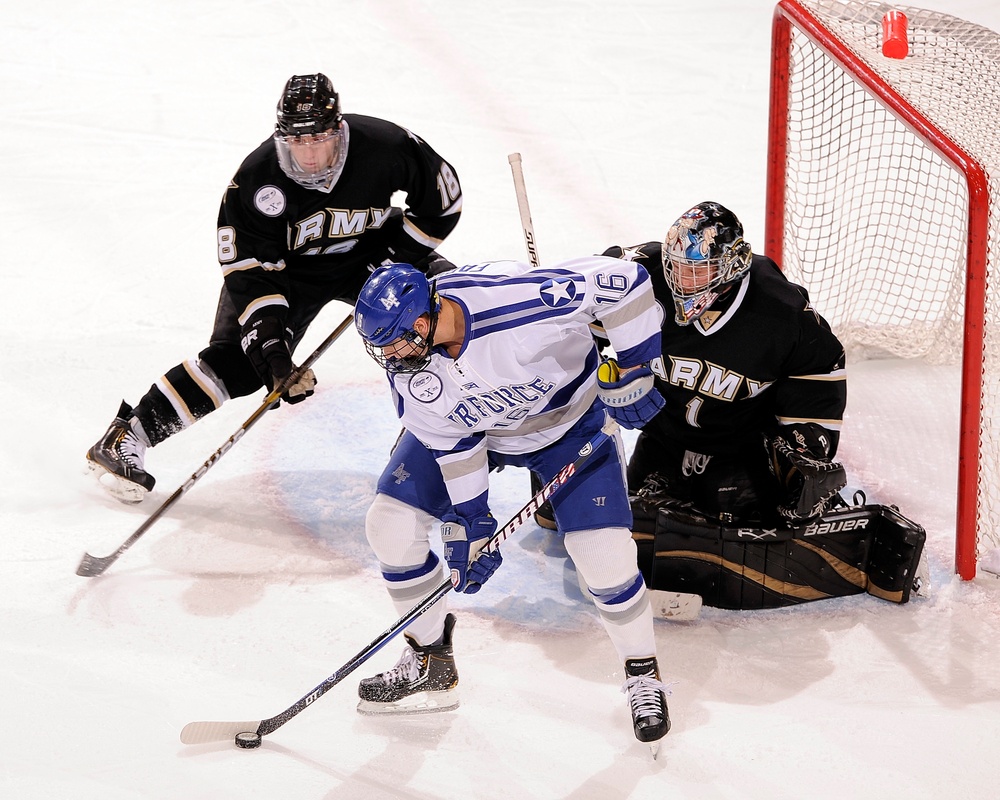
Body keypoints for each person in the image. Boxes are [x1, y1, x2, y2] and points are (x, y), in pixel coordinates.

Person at [86, 73, 463, 503]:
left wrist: (398, 255)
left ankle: (478, 438)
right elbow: (250, 272)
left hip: (369, 254)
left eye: (318, 139)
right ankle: (127, 436)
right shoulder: (256, 179)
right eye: (298, 143)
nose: (310, 155)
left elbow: (441, 202)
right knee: (240, 364)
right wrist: (275, 356)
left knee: (443, 310)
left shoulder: (385, 145)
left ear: (338, 129)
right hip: (285, 274)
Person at [351, 257, 671, 752]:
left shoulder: (521, 303)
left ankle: (642, 673)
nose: (390, 357)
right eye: (381, 348)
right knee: (390, 524)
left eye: (394, 342)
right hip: (485, 433)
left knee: (602, 556)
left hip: (571, 429)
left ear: (422, 322)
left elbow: (626, 282)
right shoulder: (413, 373)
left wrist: (633, 367)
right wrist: (472, 520)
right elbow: (455, 445)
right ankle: (429, 660)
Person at [604, 201, 926, 609]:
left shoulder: (777, 310)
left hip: (740, 445)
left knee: (741, 522)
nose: (684, 281)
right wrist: (602, 371)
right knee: (642, 514)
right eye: (678, 268)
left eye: (699, 270)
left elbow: (820, 366)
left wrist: (806, 443)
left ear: (733, 265)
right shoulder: (639, 278)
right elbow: (578, 317)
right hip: (663, 435)